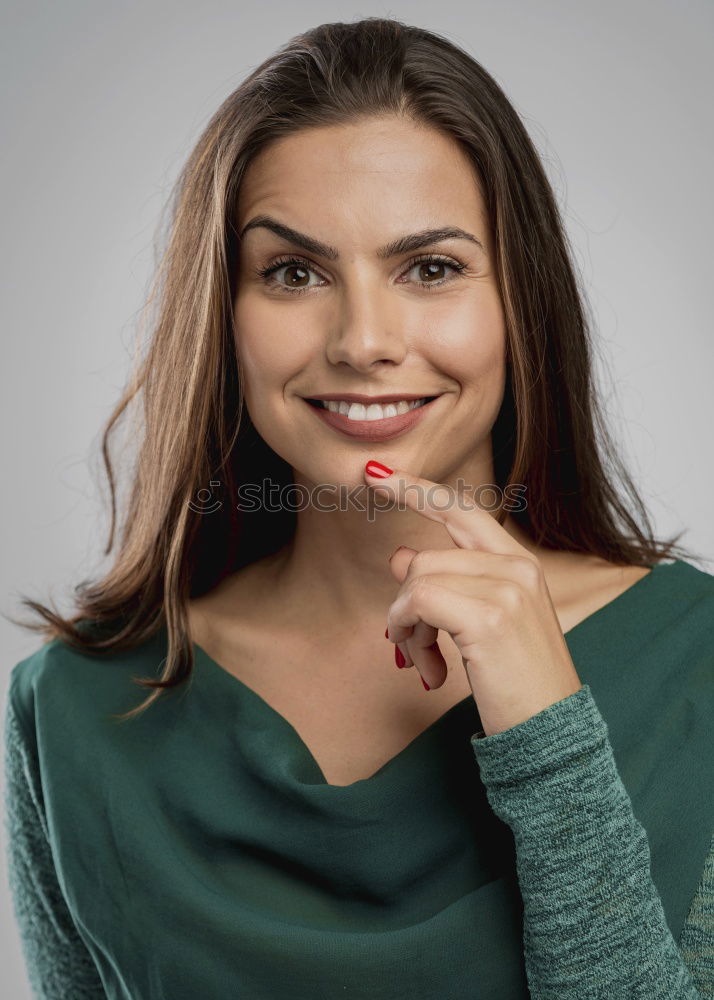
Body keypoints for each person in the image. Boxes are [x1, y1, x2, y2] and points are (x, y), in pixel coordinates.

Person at [3, 16, 713, 1000]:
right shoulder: (72, 709)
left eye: (431, 267)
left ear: (521, 300)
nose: (364, 339)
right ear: (224, 313)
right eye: (294, 273)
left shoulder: (700, 666)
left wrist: (549, 735)